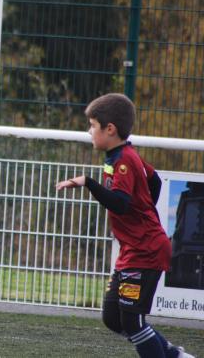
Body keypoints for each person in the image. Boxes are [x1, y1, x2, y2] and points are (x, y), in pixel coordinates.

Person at [56, 93, 194, 358]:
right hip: (133, 249)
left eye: (92, 126)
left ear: (110, 129)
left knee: (132, 321)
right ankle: (175, 355)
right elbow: (153, 182)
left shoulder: (124, 161)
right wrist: (141, 213)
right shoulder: (121, 155)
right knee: (112, 317)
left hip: (146, 251)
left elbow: (119, 203)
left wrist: (88, 182)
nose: (89, 131)